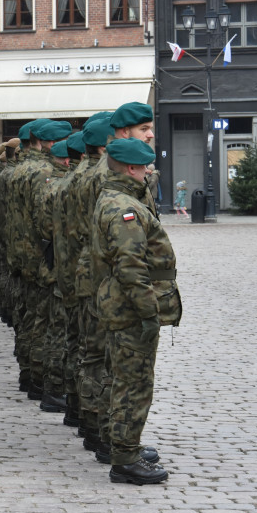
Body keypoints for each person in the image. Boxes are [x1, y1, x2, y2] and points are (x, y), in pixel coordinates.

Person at [91, 138, 181, 485]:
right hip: (131, 310)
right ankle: (125, 458)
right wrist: (149, 311)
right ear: (131, 169)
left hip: (122, 306)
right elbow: (131, 267)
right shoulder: (123, 208)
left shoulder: (115, 199)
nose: (147, 174)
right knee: (134, 383)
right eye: (144, 168)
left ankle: (125, 445)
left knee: (124, 378)